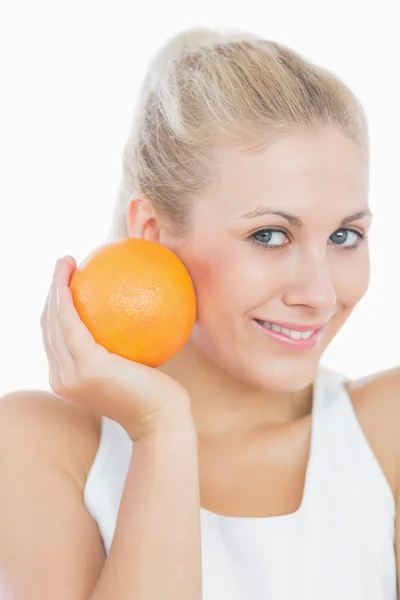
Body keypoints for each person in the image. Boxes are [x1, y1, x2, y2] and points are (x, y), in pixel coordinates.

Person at [0, 26, 398, 600]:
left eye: (344, 235)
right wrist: (160, 429)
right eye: (270, 235)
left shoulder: (386, 433)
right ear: (152, 233)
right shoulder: (44, 445)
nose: (320, 292)